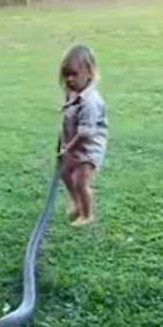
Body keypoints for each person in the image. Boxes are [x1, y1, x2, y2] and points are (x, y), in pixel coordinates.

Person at [57, 43, 108, 226]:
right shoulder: (72, 93)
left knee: (80, 181)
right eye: (66, 74)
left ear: (89, 72)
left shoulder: (90, 102)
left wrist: (67, 149)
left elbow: (85, 134)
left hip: (88, 148)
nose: (69, 79)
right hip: (72, 143)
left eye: (74, 74)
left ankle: (87, 215)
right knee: (65, 173)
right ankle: (75, 201)